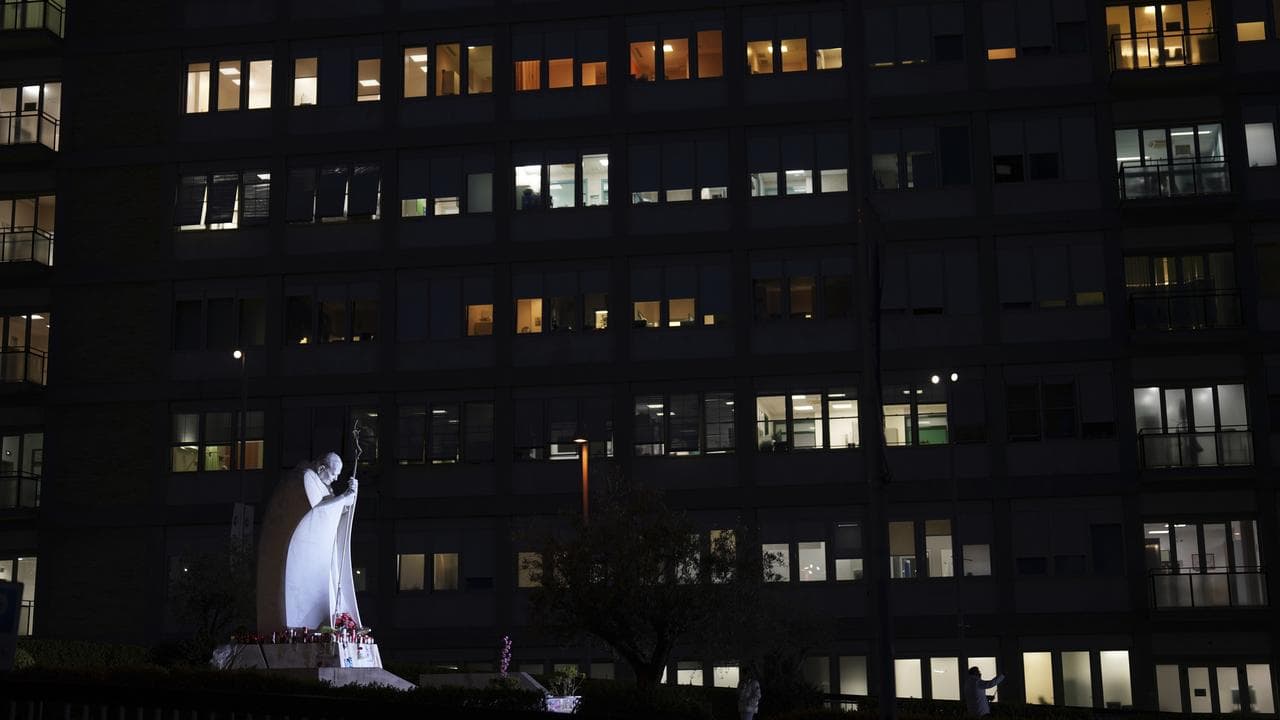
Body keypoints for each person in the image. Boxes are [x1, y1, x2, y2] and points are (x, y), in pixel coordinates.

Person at [257, 452, 361, 633]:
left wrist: (350, 495)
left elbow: (332, 513)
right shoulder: (305, 479)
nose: (336, 478)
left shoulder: (323, 485)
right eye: (333, 473)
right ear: (321, 468)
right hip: (301, 553)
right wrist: (344, 499)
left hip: (317, 554)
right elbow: (315, 515)